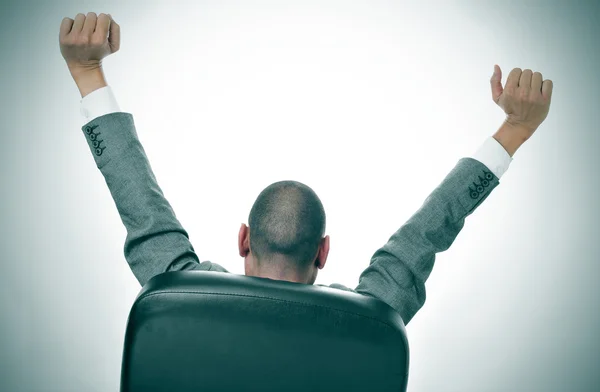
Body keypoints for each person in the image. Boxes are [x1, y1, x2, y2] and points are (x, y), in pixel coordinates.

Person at [59, 12, 553, 326]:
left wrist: (87, 72)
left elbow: (141, 209)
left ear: (243, 239)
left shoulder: (178, 294)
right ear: (324, 250)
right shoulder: (373, 321)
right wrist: (515, 128)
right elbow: (427, 232)